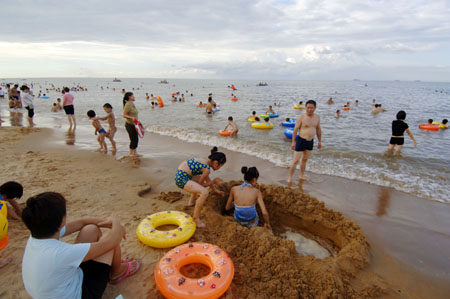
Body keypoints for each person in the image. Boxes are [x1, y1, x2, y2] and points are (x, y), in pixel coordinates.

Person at [21, 192, 140, 298]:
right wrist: (115, 222)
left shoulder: (37, 235)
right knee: (108, 240)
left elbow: (81, 223)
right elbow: (112, 241)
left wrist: (106, 223)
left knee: (90, 229)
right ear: (62, 221)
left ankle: (114, 264)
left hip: (58, 288)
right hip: (81, 294)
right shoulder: (61, 253)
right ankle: (117, 272)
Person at [174, 147, 226, 228]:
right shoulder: (207, 169)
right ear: (216, 163)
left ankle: (191, 202)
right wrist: (214, 182)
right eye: (220, 166)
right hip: (181, 179)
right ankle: (196, 219)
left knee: (198, 183)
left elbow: (207, 179)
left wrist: (216, 191)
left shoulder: (204, 163)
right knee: (204, 192)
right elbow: (200, 184)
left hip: (181, 175)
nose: (220, 168)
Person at [288, 100, 322, 183]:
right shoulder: (301, 117)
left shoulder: (317, 117)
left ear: (315, 108)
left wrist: (319, 141)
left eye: (312, 108)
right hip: (301, 140)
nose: (310, 109)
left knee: (304, 160)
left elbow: (318, 129)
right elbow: (295, 129)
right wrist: (293, 142)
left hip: (310, 141)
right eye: (308, 107)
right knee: (295, 161)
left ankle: (301, 175)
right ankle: (290, 177)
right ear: (305, 108)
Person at [122, 92, 141, 157]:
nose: (134, 97)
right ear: (129, 97)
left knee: (135, 139)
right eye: (133, 96)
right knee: (133, 139)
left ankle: (134, 153)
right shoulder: (128, 104)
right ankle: (131, 153)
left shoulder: (132, 104)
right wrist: (131, 117)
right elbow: (124, 115)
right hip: (129, 124)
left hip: (134, 124)